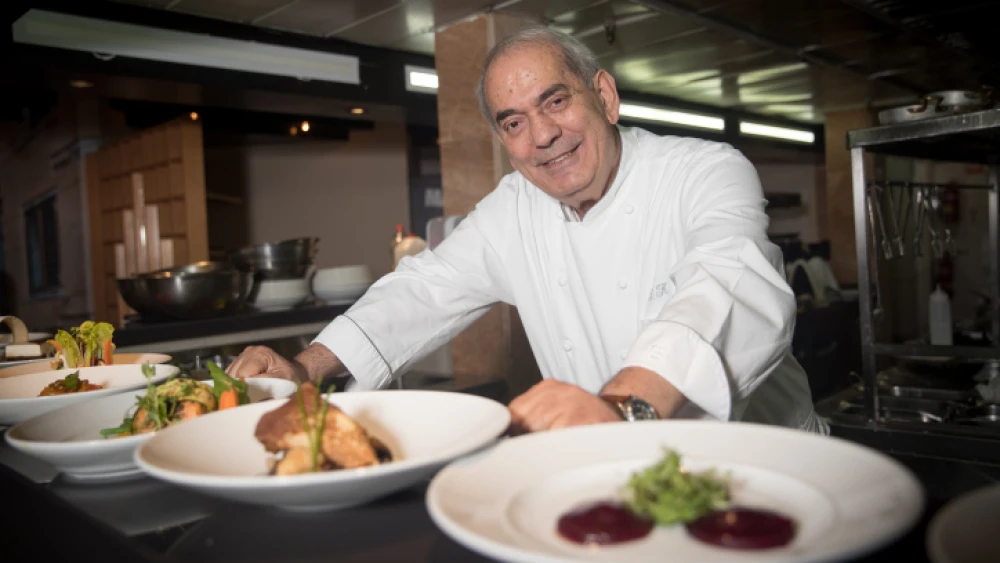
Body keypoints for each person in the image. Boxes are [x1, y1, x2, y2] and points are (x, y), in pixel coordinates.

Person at [228, 26, 828, 435]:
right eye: (515, 122)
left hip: (766, 471)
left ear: (605, 96)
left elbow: (728, 281)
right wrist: (308, 366)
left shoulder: (704, 170)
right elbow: (424, 288)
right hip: (618, 468)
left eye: (556, 101)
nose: (541, 136)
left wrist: (621, 407)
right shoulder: (514, 208)